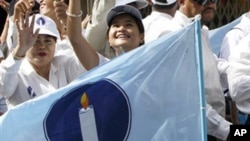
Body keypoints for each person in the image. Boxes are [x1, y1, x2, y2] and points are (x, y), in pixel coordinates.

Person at [147, 0, 231, 140]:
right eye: (202, 0)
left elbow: (217, 65)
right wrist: (230, 131)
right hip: (191, 132)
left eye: (213, 0)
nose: (209, 4)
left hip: (213, 128)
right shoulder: (172, 34)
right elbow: (186, 98)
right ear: (181, 1)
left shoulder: (199, 30)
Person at [0, 12, 87, 108]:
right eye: (35, 41)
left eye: (48, 41)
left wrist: (71, 24)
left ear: (56, 45)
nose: (42, 46)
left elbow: (87, 63)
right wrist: (19, 51)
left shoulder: (64, 64)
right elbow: (3, 87)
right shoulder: (16, 72)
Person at [67, 0, 145, 70]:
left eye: (128, 24)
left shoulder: (152, 66)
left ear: (141, 36)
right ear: (108, 38)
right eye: (116, 25)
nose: (121, 29)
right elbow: (75, 39)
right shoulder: (103, 67)